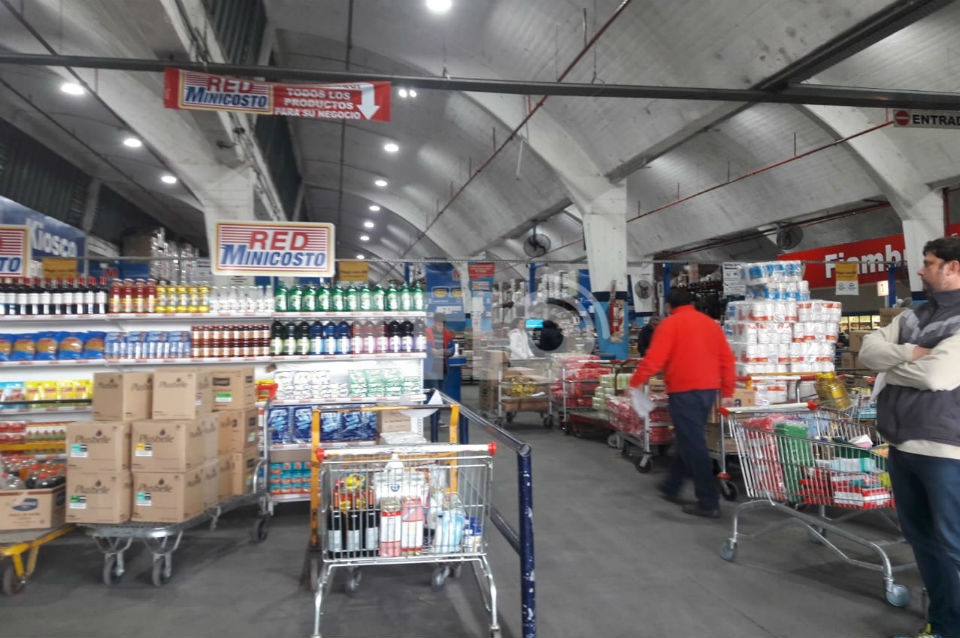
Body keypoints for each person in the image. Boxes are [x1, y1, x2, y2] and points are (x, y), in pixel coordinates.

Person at [859, 236, 960, 638]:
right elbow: (868, 350)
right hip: (901, 445)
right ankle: (944, 626)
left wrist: (891, 366)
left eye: (929, 262)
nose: (920, 269)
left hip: (946, 448)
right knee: (923, 541)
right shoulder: (913, 316)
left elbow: (937, 376)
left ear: (953, 267)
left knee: (953, 543)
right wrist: (912, 355)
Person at [628, 287, 735, 518]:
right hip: (708, 391)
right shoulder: (710, 324)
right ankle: (672, 485)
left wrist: (635, 381)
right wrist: (727, 390)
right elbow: (727, 359)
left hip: (684, 391)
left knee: (694, 443)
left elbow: (655, 358)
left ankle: (708, 501)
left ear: (669, 306)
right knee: (688, 438)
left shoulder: (669, 325)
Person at [424, 312, 455, 394]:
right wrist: (430, 350)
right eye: (439, 325)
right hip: (431, 368)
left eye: (442, 325)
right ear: (434, 323)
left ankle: (438, 402)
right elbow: (423, 346)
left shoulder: (447, 334)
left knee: (441, 392)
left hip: (443, 369)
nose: (441, 327)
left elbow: (452, 349)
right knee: (436, 391)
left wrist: (449, 352)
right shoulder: (427, 332)